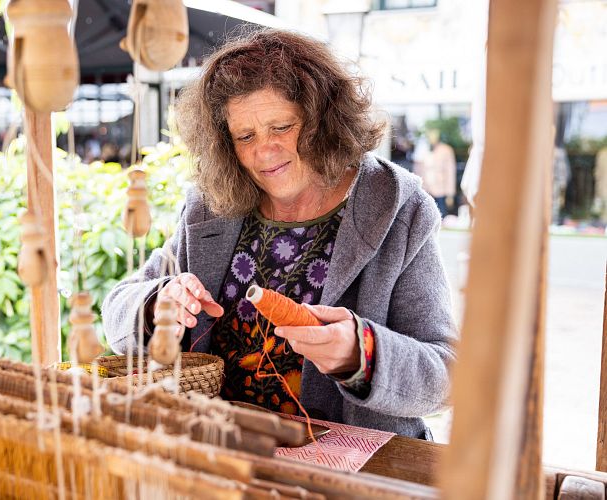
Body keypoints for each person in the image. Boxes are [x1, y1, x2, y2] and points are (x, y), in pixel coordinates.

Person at [102, 29, 456, 439]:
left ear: (324, 120)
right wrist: (156, 303)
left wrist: (361, 355)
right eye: (245, 137)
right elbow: (117, 315)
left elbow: (446, 375)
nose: (264, 152)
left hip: (347, 471)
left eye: (282, 127)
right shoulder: (211, 204)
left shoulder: (396, 207)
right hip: (223, 459)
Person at [414, 128, 456, 217]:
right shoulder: (424, 149)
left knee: (441, 216)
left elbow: (450, 173)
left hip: (441, 191)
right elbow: (418, 169)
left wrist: (450, 194)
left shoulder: (446, 150)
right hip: (426, 190)